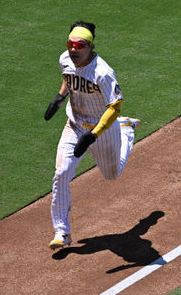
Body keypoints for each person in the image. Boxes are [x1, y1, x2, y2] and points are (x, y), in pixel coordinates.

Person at [43, 21, 141, 249]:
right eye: (70, 43)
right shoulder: (64, 59)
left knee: (112, 174)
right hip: (75, 125)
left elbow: (114, 107)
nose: (73, 49)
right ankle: (62, 232)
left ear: (90, 46)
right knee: (61, 173)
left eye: (80, 45)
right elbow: (69, 77)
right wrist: (60, 98)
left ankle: (125, 131)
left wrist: (94, 134)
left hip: (103, 129)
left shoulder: (103, 73)